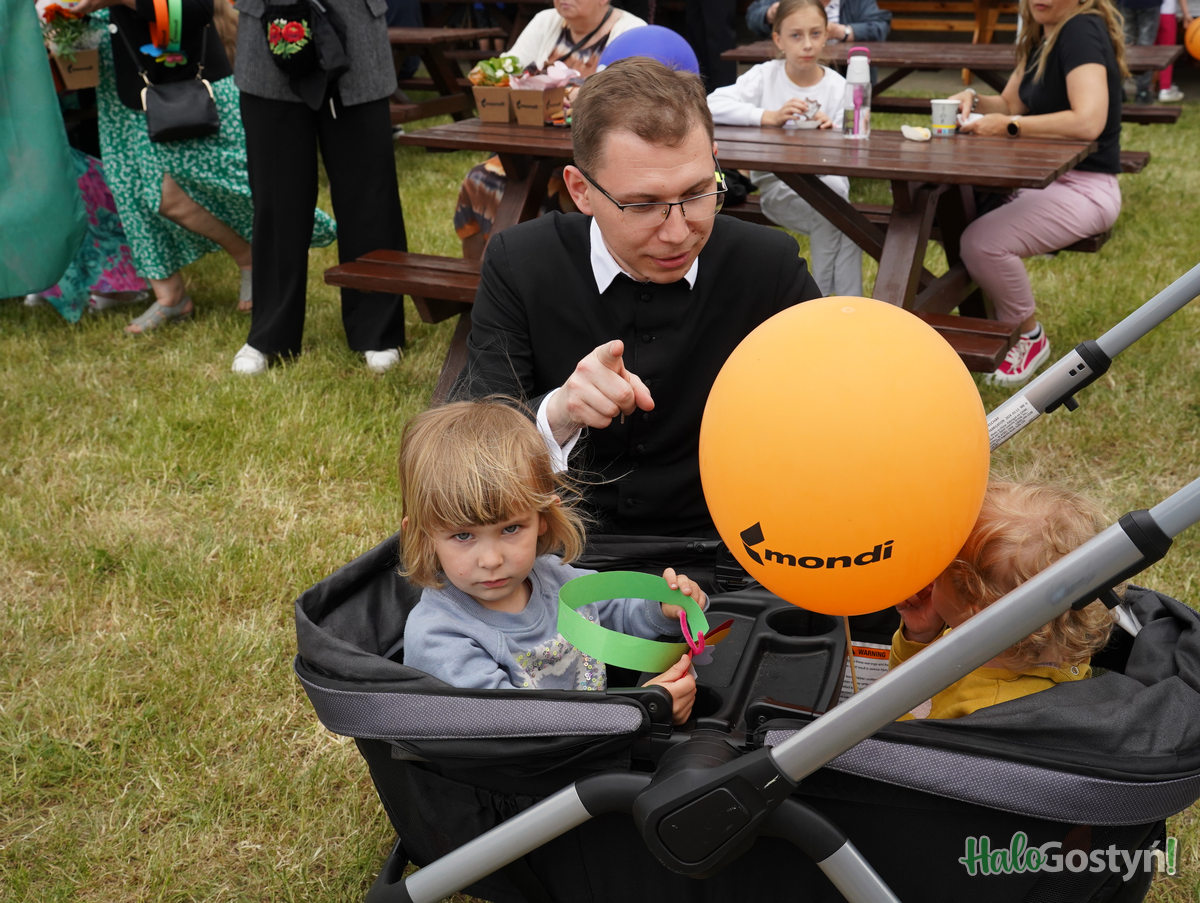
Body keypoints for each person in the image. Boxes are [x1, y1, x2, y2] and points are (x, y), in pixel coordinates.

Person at [451, 58, 822, 571]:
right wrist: (559, 411)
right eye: (643, 205)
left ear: (715, 162)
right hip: (557, 553)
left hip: (731, 551)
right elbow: (466, 441)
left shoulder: (767, 265)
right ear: (580, 190)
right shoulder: (523, 262)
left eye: (697, 193)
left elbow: (839, 405)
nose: (678, 232)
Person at [398, 399, 703, 725]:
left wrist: (664, 609)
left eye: (510, 529)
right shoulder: (440, 636)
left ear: (542, 517)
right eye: (463, 536)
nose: (491, 559)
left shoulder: (554, 579)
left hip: (598, 738)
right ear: (424, 535)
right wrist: (641, 710)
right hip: (550, 754)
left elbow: (612, 611)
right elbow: (513, 727)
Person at [70, 0, 336, 334]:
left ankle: (250, 256)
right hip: (119, 86)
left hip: (182, 81)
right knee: (132, 194)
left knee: (173, 195)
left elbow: (196, 9)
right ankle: (170, 295)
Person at [948, 0, 1127, 387]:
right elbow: (1010, 103)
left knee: (982, 242)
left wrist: (1011, 126)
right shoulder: (1042, 35)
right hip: (1045, 181)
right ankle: (980, 325)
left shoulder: (1081, 30)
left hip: (1087, 187)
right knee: (956, 213)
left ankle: (1028, 335)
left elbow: (1088, 120)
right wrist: (973, 99)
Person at [231, 0, 408, 374]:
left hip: (357, 34)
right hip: (265, 33)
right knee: (276, 199)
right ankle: (270, 334)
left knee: (369, 196)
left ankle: (378, 330)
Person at [890, 481, 1117, 720]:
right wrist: (920, 638)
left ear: (973, 604)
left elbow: (893, 731)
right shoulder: (1060, 636)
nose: (930, 577)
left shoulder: (984, 711)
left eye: (939, 572)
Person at [454, 0, 647, 262]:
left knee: (555, 193)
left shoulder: (631, 31)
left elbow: (629, 103)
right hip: (531, 149)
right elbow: (505, 71)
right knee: (478, 179)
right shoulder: (546, 20)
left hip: (593, 162)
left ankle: (542, 275)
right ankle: (479, 280)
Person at [708, 0, 862, 296]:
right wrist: (768, 116)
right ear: (778, 39)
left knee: (846, 223)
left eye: (815, 34)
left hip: (832, 189)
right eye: (796, 35)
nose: (807, 44)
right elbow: (711, 103)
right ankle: (827, 303)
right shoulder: (766, 76)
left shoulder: (837, 85)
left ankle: (842, 305)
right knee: (842, 221)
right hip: (779, 189)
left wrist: (832, 131)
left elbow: (853, 143)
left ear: (826, 35)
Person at [745, 0, 892, 43]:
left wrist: (840, 32)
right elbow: (752, 17)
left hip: (844, 72)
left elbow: (880, 27)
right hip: (789, 69)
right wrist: (770, 14)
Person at [1119, 0, 1164, 103]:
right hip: (1149, 3)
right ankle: (1142, 92)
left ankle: (1119, 88)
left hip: (1126, 3)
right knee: (1145, 47)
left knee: (1124, 44)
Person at [1155, 0, 1185, 102]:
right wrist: (1186, 14)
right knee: (1167, 53)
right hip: (1167, 13)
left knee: (1149, 51)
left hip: (1150, 12)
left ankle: (1147, 88)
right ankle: (1165, 88)